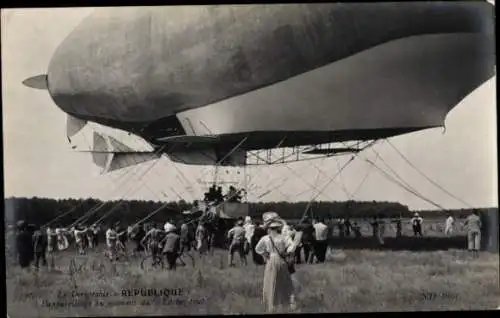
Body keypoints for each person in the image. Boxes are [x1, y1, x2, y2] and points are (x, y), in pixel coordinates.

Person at [255, 212, 297, 312]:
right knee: (285, 281)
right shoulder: (283, 237)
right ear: (278, 228)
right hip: (281, 260)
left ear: (269, 228)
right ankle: (287, 302)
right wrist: (288, 252)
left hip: (270, 260)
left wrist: (265, 255)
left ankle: (271, 303)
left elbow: (257, 249)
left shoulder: (265, 238)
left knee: (271, 281)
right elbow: (292, 247)